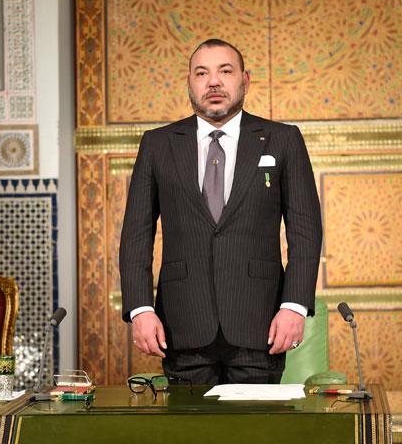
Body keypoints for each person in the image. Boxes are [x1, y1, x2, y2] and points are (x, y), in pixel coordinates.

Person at [119, 38, 322, 385]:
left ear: (245, 80)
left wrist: (294, 307)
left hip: (260, 325)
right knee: (189, 423)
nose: (213, 82)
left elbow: (305, 232)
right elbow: (136, 235)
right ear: (189, 83)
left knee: (256, 422)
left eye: (225, 71)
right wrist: (140, 309)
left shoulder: (283, 139)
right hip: (181, 327)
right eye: (202, 73)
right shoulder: (157, 143)